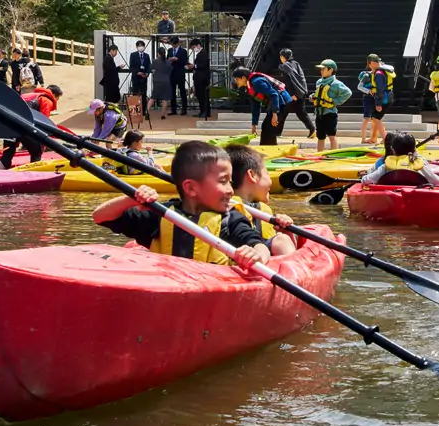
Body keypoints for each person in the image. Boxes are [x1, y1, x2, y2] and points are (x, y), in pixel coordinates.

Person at [92, 140, 270, 268]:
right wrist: (131, 199)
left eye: (230, 182)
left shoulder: (230, 220)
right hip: (167, 290)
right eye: (223, 181)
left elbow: (259, 245)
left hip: (211, 292)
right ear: (191, 188)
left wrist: (256, 255)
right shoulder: (161, 214)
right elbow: (100, 216)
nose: (231, 190)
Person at [225, 144, 296, 256]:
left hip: (261, 258)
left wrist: (286, 231)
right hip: (247, 259)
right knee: (282, 240)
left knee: (282, 238)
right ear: (252, 175)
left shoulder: (260, 209)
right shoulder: (228, 209)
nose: (270, 180)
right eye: (267, 173)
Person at [0, 83, 63, 169]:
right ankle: (34, 176)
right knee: (37, 151)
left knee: (7, 154)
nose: (56, 101)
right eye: (57, 98)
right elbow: (43, 124)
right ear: (54, 95)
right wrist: (43, 143)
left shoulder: (28, 95)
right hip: (23, 125)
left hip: (9, 124)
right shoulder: (47, 100)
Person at [360, 132, 439, 188]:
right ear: (414, 150)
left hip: (390, 199)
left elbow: (365, 181)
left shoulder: (385, 167)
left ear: (393, 150)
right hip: (415, 198)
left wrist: (364, 178)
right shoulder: (420, 167)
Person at [232, 65, 292, 145]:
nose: (236, 81)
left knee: (269, 128)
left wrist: (275, 113)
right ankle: (267, 148)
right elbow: (255, 105)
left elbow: (274, 94)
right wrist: (254, 124)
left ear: (243, 78)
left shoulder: (257, 82)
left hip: (283, 102)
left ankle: (270, 149)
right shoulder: (249, 86)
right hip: (275, 103)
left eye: (237, 79)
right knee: (266, 127)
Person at [312, 60, 352, 151]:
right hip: (319, 113)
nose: (321, 71)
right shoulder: (319, 82)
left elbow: (348, 93)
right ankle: (320, 154)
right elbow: (317, 93)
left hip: (330, 113)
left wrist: (336, 101)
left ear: (331, 70)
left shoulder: (336, 83)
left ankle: (333, 154)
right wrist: (313, 97)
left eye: (323, 69)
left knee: (331, 135)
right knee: (320, 136)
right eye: (320, 69)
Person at [358, 54, 395, 146]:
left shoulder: (378, 74)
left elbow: (380, 89)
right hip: (388, 96)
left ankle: (386, 139)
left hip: (383, 99)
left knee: (375, 118)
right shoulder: (383, 72)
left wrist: (378, 104)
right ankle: (378, 138)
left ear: (372, 63)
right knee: (376, 118)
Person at [276, 49, 315, 137]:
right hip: (301, 91)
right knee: (301, 112)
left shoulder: (285, 66)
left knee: (283, 112)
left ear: (282, 57)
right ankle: (312, 129)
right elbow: (301, 78)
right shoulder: (296, 64)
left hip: (292, 94)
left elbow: (288, 81)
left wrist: (292, 94)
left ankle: (277, 132)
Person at [189, 38, 211, 119]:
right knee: (199, 95)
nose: (194, 49)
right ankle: (202, 111)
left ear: (198, 45)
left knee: (203, 95)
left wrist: (194, 66)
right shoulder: (200, 54)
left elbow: (204, 64)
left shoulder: (203, 53)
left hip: (203, 78)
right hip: (199, 78)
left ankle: (205, 111)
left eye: (194, 47)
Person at [167, 37, 189, 116]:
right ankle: (173, 109)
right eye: (172, 45)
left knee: (182, 91)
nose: (173, 46)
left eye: (174, 45)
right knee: (172, 92)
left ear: (177, 43)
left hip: (180, 73)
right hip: (172, 73)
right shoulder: (169, 50)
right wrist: (170, 59)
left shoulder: (183, 51)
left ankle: (184, 109)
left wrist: (177, 59)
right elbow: (167, 60)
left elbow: (185, 61)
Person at [150, 47, 173, 120]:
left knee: (153, 98)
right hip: (166, 81)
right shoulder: (169, 62)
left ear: (158, 53)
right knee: (165, 99)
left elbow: (152, 70)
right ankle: (162, 115)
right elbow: (170, 71)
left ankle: (147, 111)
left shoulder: (154, 61)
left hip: (157, 81)